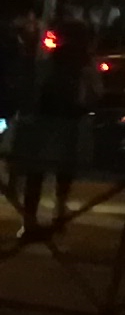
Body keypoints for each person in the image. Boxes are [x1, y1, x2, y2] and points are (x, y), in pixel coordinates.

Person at [8, 23, 91, 231]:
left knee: (36, 172)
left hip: (43, 122)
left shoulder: (47, 64)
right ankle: (58, 212)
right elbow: (92, 95)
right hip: (69, 122)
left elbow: (33, 92)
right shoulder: (83, 66)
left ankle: (29, 220)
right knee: (64, 170)